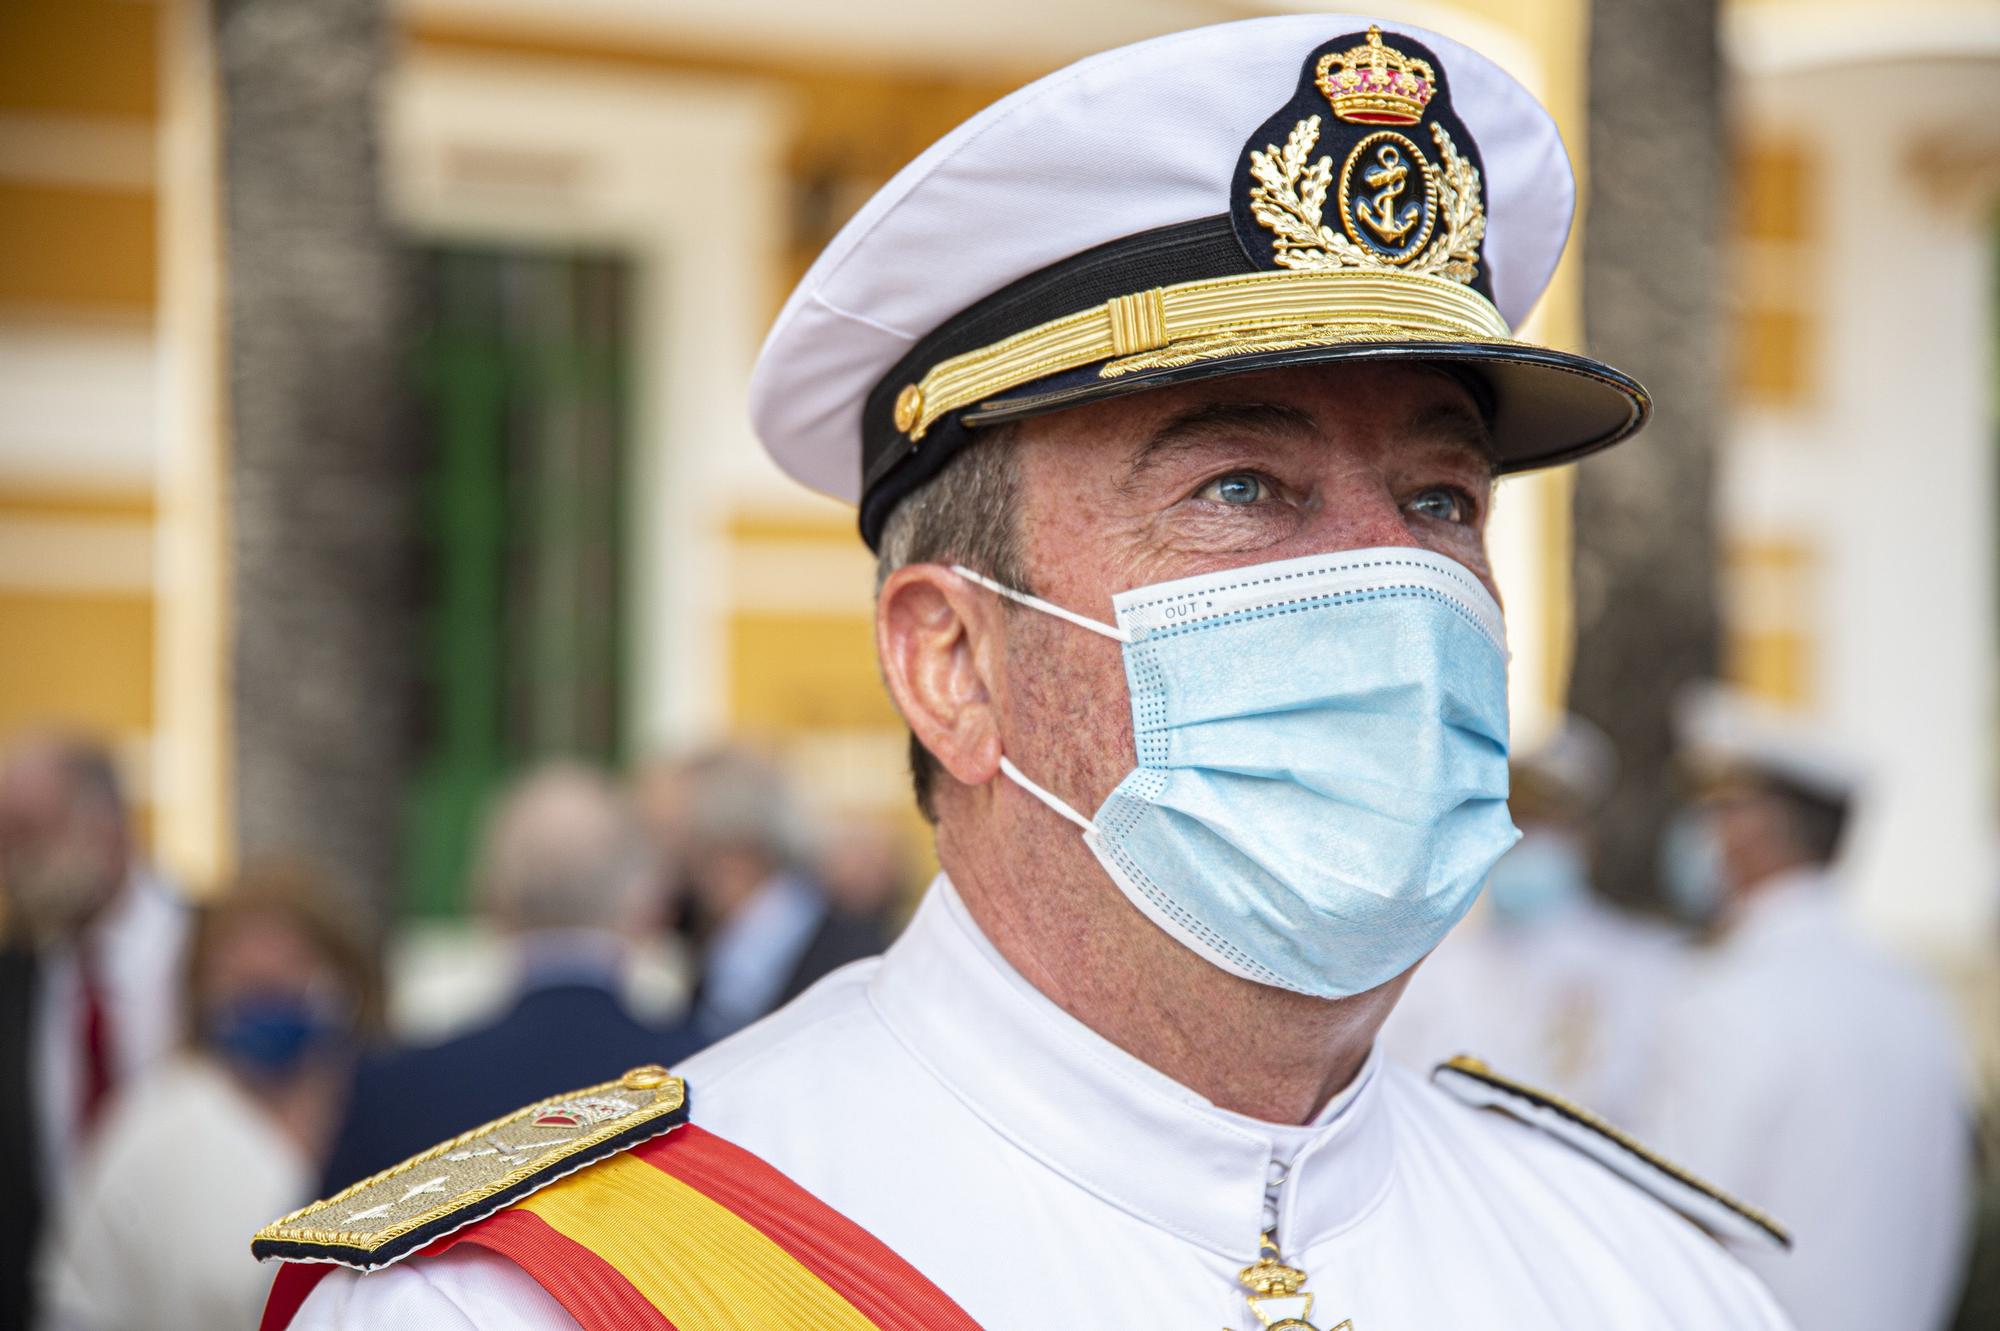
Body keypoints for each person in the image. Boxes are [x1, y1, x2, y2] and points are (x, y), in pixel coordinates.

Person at [259, 18, 1792, 1328]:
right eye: (1241, 488)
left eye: (1443, 500)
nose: (1390, 582)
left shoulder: (1649, 1274)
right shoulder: (547, 1297)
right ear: (950, 660)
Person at [1635, 685, 1976, 1331]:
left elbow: (1671, 1231)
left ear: (1754, 829)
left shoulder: (1725, 1000)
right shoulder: (1916, 1001)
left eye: (1717, 810)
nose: (1702, 835)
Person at [322, 763, 700, 1186]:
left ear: (488, 897)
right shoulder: (704, 1076)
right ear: (645, 902)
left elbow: (321, 1247)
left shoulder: (397, 1089)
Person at [39, 857, 376, 1331]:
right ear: (200, 993)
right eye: (244, 985)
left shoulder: (387, 1106)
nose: (266, 1005)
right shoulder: (147, 1130)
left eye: (286, 980)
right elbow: (80, 1308)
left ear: (342, 982)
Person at [1380, 715, 1683, 1121]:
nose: (1520, 838)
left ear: (1585, 835)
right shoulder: (1428, 965)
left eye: (1543, 822)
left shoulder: (1647, 966)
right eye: (1509, 818)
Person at [0, 732, 188, 1331]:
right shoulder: (12, 986)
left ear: (106, 825)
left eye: (25, 832)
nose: (8, 863)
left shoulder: (216, 961)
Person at [637, 747, 889, 1041]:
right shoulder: (704, 954)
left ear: (729, 855)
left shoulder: (853, 964)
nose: (658, 871)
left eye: (674, 845)